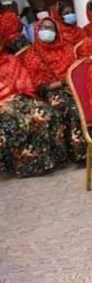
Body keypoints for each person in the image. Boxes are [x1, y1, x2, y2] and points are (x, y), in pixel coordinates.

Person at [20, 17, 85, 164]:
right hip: (49, 91)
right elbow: (37, 84)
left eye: (51, 29)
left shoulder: (66, 48)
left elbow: (74, 71)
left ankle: (83, 150)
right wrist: (59, 83)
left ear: (56, 32)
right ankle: (73, 153)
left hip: (70, 87)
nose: (47, 32)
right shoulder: (32, 53)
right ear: (37, 30)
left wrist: (66, 83)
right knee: (68, 107)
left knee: (82, 104)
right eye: (44, 28)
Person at [0, 34, 63, 177]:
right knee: (21, 121)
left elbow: (23, 80)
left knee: (46, 112)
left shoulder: (10, 59)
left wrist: (16, 91)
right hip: (2, 103)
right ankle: (24, 166)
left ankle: (45, 160)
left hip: (18, 97)